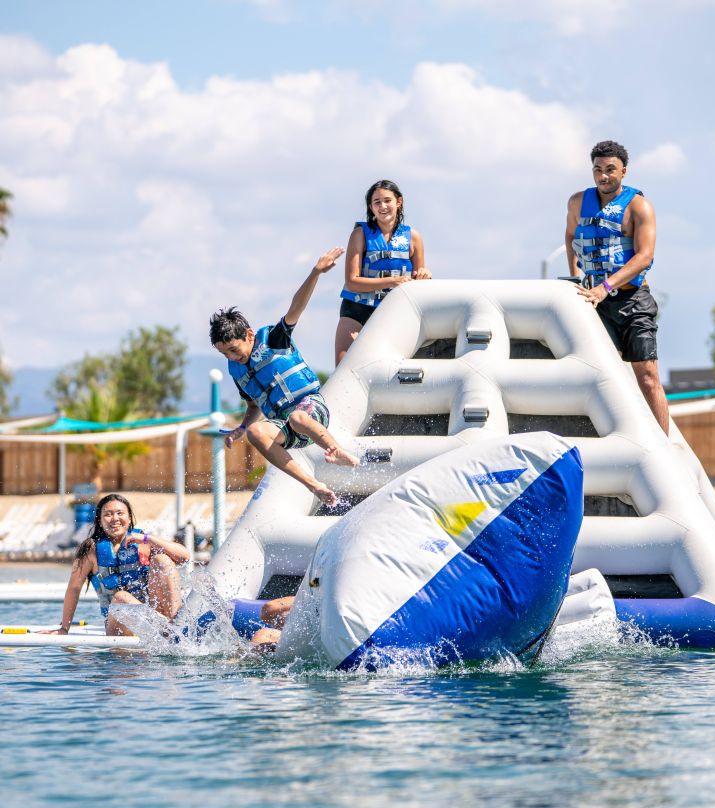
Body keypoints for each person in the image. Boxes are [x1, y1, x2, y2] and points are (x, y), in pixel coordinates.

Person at [210, 247, 359, 507]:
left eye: (233, 350)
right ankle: (314, 486)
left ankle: (335, 449)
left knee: (298, 416)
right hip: (287, 426)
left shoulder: (274, 340)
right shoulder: (237, 370)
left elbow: (296, 306)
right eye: (225, 355)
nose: (232, 358)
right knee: (257, 433)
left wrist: (316, 272)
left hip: (312, 411)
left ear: (249, 335)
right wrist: (241, 429)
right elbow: (253, 405)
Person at [565, 140, 670, 435]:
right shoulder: (577, 202)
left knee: (647, 376)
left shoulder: (639, 206)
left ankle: (664, 444)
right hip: (595, 302)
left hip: (632, 299)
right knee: (602, 376)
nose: (603, 176)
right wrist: (575, 277)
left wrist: (606, 286)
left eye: (610, 169)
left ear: (624, 170)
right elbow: (571, 236)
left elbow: (644, 256)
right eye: (598, 170)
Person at [42, 493, 191, 636]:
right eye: (108, 514)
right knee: (121, 597)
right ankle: (171, 630)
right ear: (100, 520)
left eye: (120, 513)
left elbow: (185, 557)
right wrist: (64, 628)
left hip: (156, 617)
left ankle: (177, 624)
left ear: (129, 517)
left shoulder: (142, 542)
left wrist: (148, 538)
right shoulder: (90, 549)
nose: (115, 519)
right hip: (119, 624)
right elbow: (74, 589)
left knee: (162, 560)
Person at [335, 179, 431, 366]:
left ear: (399, 202)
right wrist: (391, 281)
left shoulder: (413, 237)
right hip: (357, 309)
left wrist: (424, 275)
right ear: (371, 207)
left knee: (393, 367)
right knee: (344, 367)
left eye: (387, 200)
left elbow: (419, 281)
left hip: (394, 309)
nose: (383, 206)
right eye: (377, 202)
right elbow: (352, 281)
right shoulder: (359, 234)